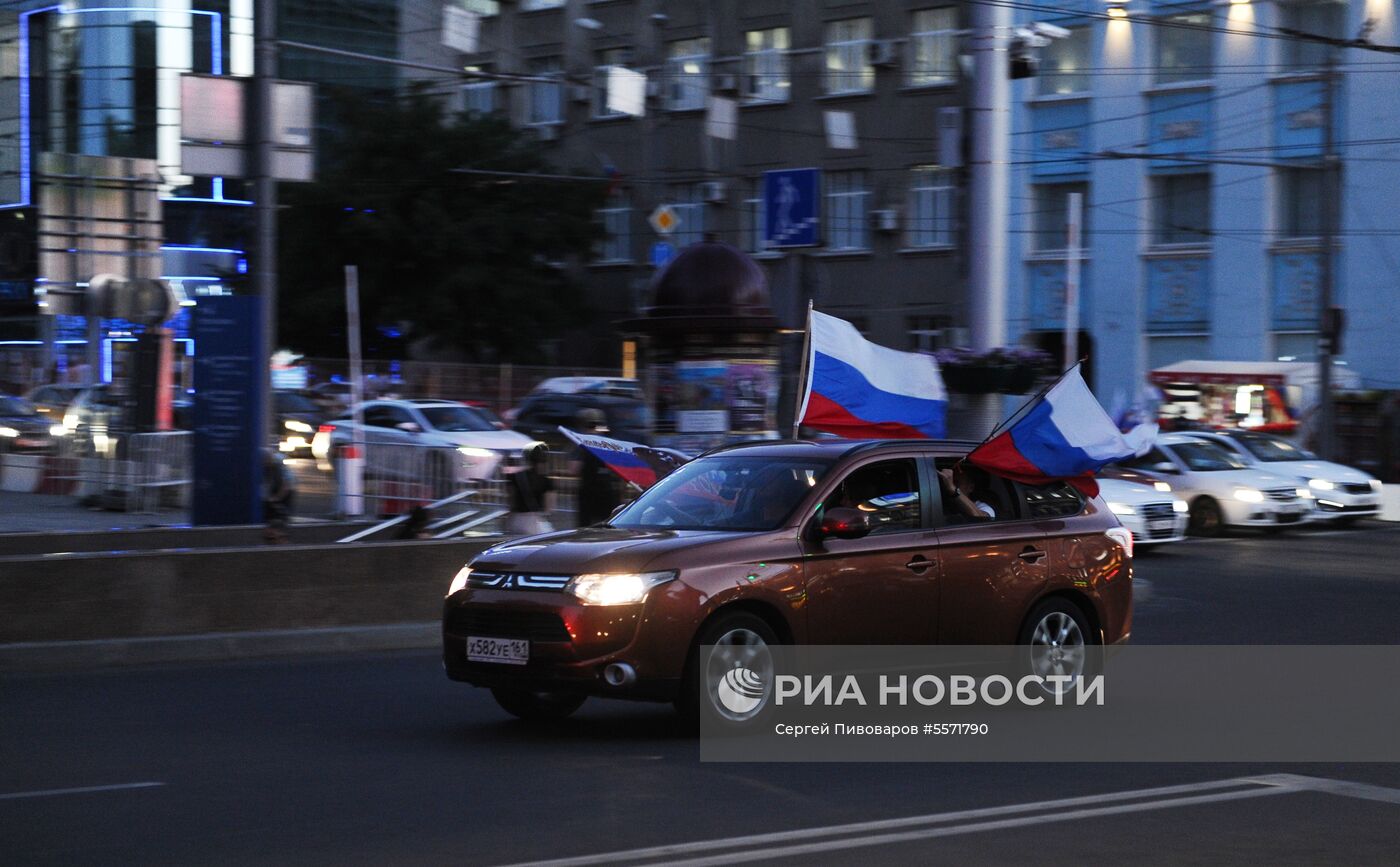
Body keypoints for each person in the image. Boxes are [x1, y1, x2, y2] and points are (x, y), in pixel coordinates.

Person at [571, 408, 621, 527]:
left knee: (585, 529)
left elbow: (573, 469)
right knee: (608, 527)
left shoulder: (581, 443)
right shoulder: (611, 442)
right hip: (610, 493)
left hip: (588, 494)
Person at [505, 443, 555, 536]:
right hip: (534, 523)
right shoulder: (546, 481)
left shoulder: (515, 477)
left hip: (516, 520)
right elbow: (549, 508)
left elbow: (511, 501)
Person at [262, 451, 297, 543]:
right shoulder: (270, 466)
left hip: (284, 496)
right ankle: (276, 540)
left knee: (279, 522)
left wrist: (276, 498)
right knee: (275, 523)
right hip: (278, 495)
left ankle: (281, 541)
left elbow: (286, 486)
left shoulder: (278, 466)